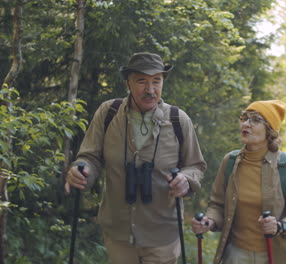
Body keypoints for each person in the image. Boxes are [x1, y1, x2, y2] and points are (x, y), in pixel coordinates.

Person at [65, 52, 206, 264]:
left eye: (156, 81)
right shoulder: (108, 113)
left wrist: (186, 180)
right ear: (128, 83)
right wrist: (81, 170)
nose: (150, 90)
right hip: (118, 233)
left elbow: (195, 165)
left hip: (162, 234)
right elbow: (90, 157)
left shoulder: (178, 120)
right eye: (142, 81)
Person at [192, 100, 286, 264]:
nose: (246, 124)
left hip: (275, 255)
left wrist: (280, 226)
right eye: (244, 118)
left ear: (270, 130)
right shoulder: (230, 162)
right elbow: (217, 205)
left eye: (255, 120)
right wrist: (208, 221)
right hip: (236, 254)